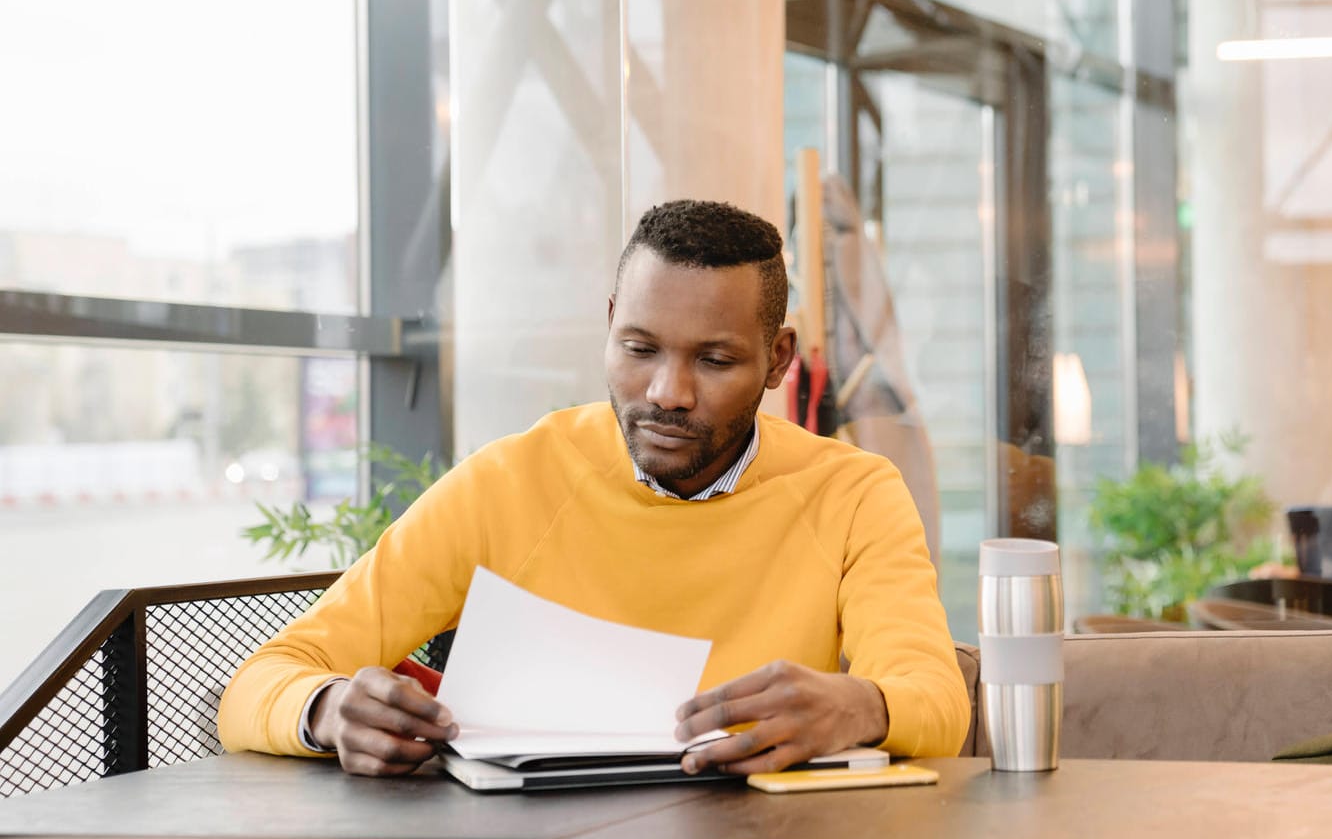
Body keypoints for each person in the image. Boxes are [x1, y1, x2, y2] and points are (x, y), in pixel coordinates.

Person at [217, 200, 969, 777]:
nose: (667, 392)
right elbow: (262, 680)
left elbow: (935, 700)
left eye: (714, 359)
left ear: (777, 361)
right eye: (639, 349)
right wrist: (326, 708)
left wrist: (862, 704)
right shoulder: (508, 480)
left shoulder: (853, 491)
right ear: (610, 327)